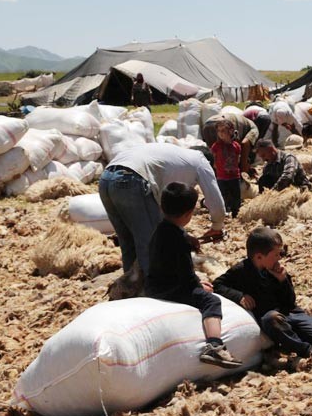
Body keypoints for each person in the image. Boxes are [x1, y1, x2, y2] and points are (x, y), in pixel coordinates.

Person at [146, 182, 243, 369]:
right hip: (172, 289)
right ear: (188, 214)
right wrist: (199, 286)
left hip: (154, 285)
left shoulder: (159, 231)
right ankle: (214, 345)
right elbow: (186, 276)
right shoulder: (179, 240)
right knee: (212, 301)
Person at [98, 143, 225, 278]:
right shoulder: (200, 161)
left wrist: (183, 235)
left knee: (128, 241)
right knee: (150, 244)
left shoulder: (171, 160)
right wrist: (217, 225)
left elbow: (158, 210)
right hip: (132, 179)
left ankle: (131, 286)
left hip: (106, 179)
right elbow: (215, 199)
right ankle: (153, 290)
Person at [214, 227, 312, 369]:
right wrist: (240, 296)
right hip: (270, 319)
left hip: (289, 313)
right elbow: (218, 284)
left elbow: (290, 301)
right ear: (259, 257)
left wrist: (283, 280)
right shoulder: (241, 271)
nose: (279, 258)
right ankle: (310, 352)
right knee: (271, 319)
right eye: (276, 254)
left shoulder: (275, 270)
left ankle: (288, 342)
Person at [210, 121, 243, 219]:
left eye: (223, 131)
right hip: (221, 176)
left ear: (231, 131)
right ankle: (224, 212)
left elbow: (238, 160)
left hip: (234, 176)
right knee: (222, 195)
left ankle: (235, 213)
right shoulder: (216, 146)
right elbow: (214, 161)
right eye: (219, 131)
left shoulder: (236, 146)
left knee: (236, 196)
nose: (221, 133)